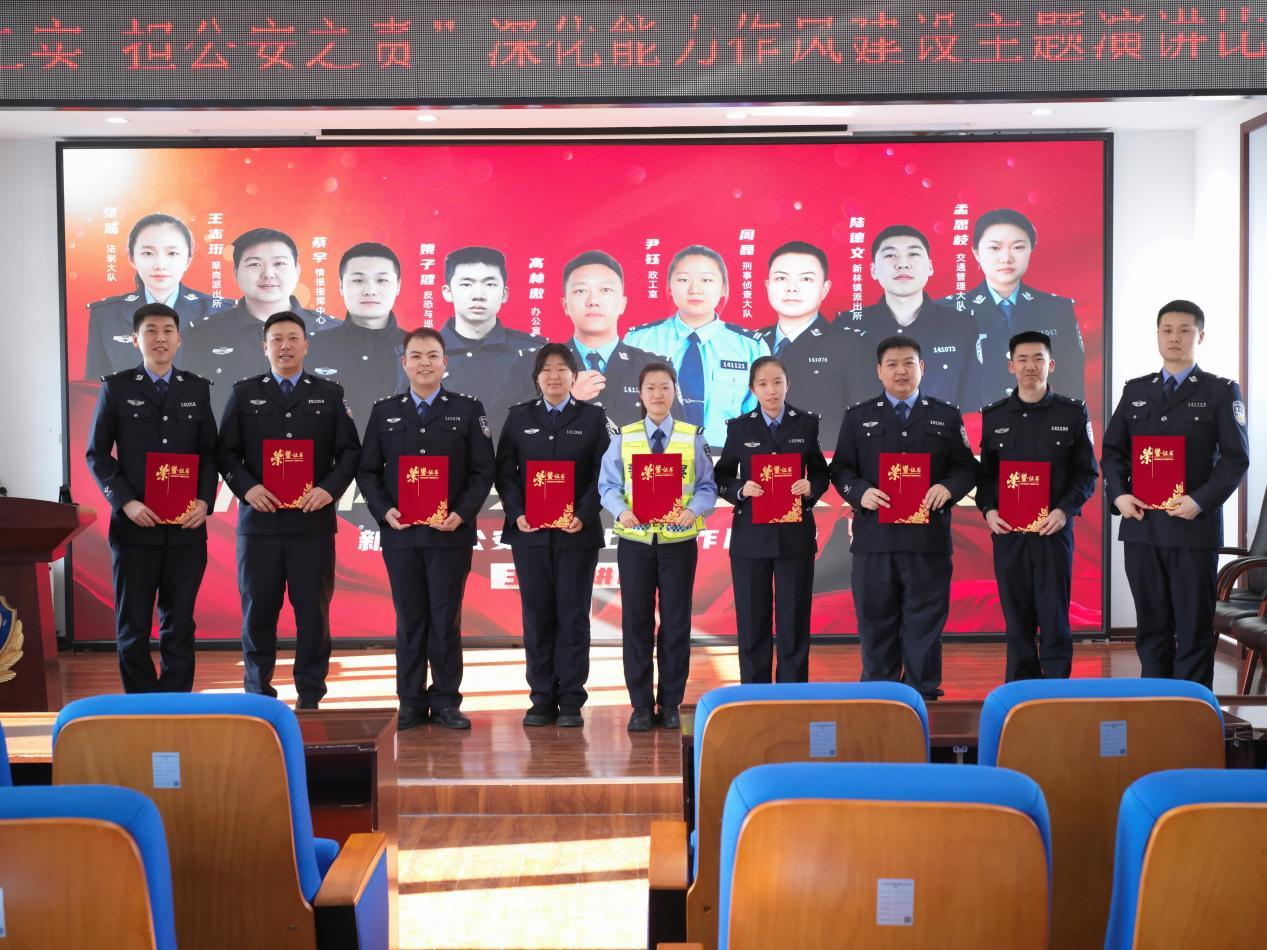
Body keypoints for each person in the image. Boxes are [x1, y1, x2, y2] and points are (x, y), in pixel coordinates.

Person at [215, 311, 360, 708]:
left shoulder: (329, 394)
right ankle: (257, 693)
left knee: (313, 613)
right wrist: (248, 488)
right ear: (264, 347)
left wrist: (328, 490)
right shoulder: (244, 393)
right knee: (258, 611)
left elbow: (350, 452)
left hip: (312, 525)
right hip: (259, 525)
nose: (285, 346)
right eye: (276, 339)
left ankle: (310, 693)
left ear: (306, 345)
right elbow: (225, 452)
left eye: (293, 338)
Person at [1101, 300, 1248, 687]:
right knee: (1151, 627)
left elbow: (1236, 458)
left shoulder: (1220, 391)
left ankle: (1192, 709)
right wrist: (1119, 495)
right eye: (1167, 330)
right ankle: (1155, 703)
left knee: (1194, 626)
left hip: (1192, 530)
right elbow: (1113, 452)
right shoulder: (1136, 391)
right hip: (1142, 527)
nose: (1174, 337)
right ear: (1157, 335)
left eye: (1184, 330)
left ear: (1200, 336)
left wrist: (1200, 501)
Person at [356, 328, 495, 730]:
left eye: (432, 355)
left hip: (450, 534)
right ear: (404, 363)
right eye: (416, 356)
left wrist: (462, 513)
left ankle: (447, 701)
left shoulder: (467, 410)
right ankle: (411, 702)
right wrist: (385, 511)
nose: (424, 363)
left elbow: (483, 470)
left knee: (446, 618)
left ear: (445, 362)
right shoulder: (385, 411)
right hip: (401, 535)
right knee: (410, 619)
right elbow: (368, 470)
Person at [830, 335, 979, 699]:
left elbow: (966, 468)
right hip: (874, 541)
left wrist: (948, 488)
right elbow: (841, 469)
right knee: (875, 622)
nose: (901, 371)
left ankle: (922, 692)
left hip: (927, 541)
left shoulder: (945, 416)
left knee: (924, 621)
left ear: (922, 368)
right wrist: (860, 492)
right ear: (879, 371)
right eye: (892, 364)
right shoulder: (859, 416)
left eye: (909, 363)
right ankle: (880, 694)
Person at [85, 302, 218, 692]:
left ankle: (175, 702)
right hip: (135, 528)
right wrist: (126, 502)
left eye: (167, 331)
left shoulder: (196, 389)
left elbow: (210, 454)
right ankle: (141, 703)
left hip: (185, 530)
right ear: (135, 339)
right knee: (134, 624)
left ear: (179, 339)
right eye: (151, 331)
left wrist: (204, 502)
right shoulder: (117, 388)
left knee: (180, 623)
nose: (160, 338)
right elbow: (97, 454)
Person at [495, 343, 612, 727]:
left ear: (574, 377)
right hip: (530, 534)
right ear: (536, 378)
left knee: (573, 615)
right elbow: (505, 473)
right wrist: (517, 512)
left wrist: (583, 513)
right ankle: (542, 697)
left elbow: (604, 474)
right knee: (537, 615)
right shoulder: (519, 417)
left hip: (576, 533)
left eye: (562, 369)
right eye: (546, 369)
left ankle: (572, 699)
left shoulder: (593, 418)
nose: (554, 375)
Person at [599, 361, 717, 731]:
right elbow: (607, 486)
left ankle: (670, 703)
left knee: (676, 623)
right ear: (640, 394)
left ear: (674, 391)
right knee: (635, 623)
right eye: (650, 388)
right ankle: (639, 705)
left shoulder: (692, 437)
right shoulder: (623, 437)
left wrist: (692, 510)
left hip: (678, 542)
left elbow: (707, 486)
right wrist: (621, 511)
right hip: (635, 542)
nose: (658, 394)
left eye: (665, 387)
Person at [977, 331, 1098, 681]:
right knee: (1016, 616)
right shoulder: (995, 415)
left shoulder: (1072, 413)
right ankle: (1021, 685)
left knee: (1054, 613)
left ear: (1051, 364)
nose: (1030, 366)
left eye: (1038, 359)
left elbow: (1086, 473)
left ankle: (1057, 687)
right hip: (1009, 533)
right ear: (1011, 366)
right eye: (1023, 359)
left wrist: (1064, 510)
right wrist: (989, 510)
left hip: (1053, 532)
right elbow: (986, 476)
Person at [715, 356, 829, 683]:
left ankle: (793, 692)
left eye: (777, 382)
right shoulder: (739, 428)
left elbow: (821, 473)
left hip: (795, 536)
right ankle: (754, 692)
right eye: (763, 384)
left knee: (794, 618)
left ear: (787, 384)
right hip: (751, 537)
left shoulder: (806, 424)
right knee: (753, 620)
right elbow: (721, 476)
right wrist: (740, 488)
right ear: (753, 389)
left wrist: (811, 487)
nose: (771, 390)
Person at [624, 244, 769, 448]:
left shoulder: (751, 347)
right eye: (683, 280)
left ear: (723, 288)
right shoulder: (638, 340)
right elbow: (625, 409)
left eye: (706, 280)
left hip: (725, 457)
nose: (694, 289)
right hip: (655, 454)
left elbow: (761, 416)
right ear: (669, 286)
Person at [185, 228, 337, 416]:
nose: (268, 274)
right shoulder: (201, 336)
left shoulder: (333, 333)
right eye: (255, 264)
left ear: (297, 271)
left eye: (279, 263)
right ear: (235, 272)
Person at [841, 225, 982, 410]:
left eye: (913, 254)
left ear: (930, 267)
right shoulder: (846, 326)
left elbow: (972, 404)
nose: (902, 264)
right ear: (873, 270)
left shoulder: (961, 326)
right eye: (890, 255)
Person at [953, 208, 1087, 402]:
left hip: (1040, 419)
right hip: (976, 420)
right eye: (994, 248)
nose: (1006, 258)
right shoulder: (950, 312)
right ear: (976, 253)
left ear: (1031, 250)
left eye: (1018, 247)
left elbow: (1072, 388)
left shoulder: (1058, 310)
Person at [84, 212, 228, 379]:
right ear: (132, 258)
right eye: (148, 253)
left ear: (188, 260)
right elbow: (94, 387)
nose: (160, 264)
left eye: (172, 253)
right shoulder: (106, 315)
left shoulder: (219, 312)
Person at [753, 240, 857, 440]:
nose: (792, 288)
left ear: (824, 289)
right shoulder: (748, 344)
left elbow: (864, 420)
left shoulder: (852, 345)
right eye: (781, 278)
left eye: (806, 279)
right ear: (768, 285)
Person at [562, 249, 677, 426]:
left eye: (605, 290)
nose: (593, 301)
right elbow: (522, 434)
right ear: (565, 305)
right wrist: (565, 398)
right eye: (580, 290)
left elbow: (678, 438)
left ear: (622, 304)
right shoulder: (535, 366)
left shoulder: (654, 368)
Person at [437, 246, 541, 439]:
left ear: (504, 293)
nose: (478, 294)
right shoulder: (420, 353)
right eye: (466, 284)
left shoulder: (535, 352)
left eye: (490, 284)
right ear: (447, 292)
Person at [308, 241, 409, 422]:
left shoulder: (420, 349)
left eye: (382, 280)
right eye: (358, 280)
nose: (370, 291)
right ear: (341, 286)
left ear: (398, 286)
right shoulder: (309, 348)